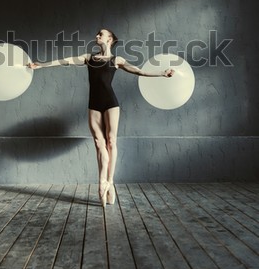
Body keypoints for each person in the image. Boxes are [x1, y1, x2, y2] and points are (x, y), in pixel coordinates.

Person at [28, 29, 174, 207]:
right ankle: (101, 181)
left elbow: (139, 72)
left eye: (100, 34)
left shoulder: (116, 60)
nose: (97, 36)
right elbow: (65, 61)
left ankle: (110, 182)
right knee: (99, 143)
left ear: (110, 39)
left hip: (111, 104)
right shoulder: (88, 58)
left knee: (111, 141)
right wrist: (41, 65)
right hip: (94, 105)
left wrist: (162, 73)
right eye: (97, 34)